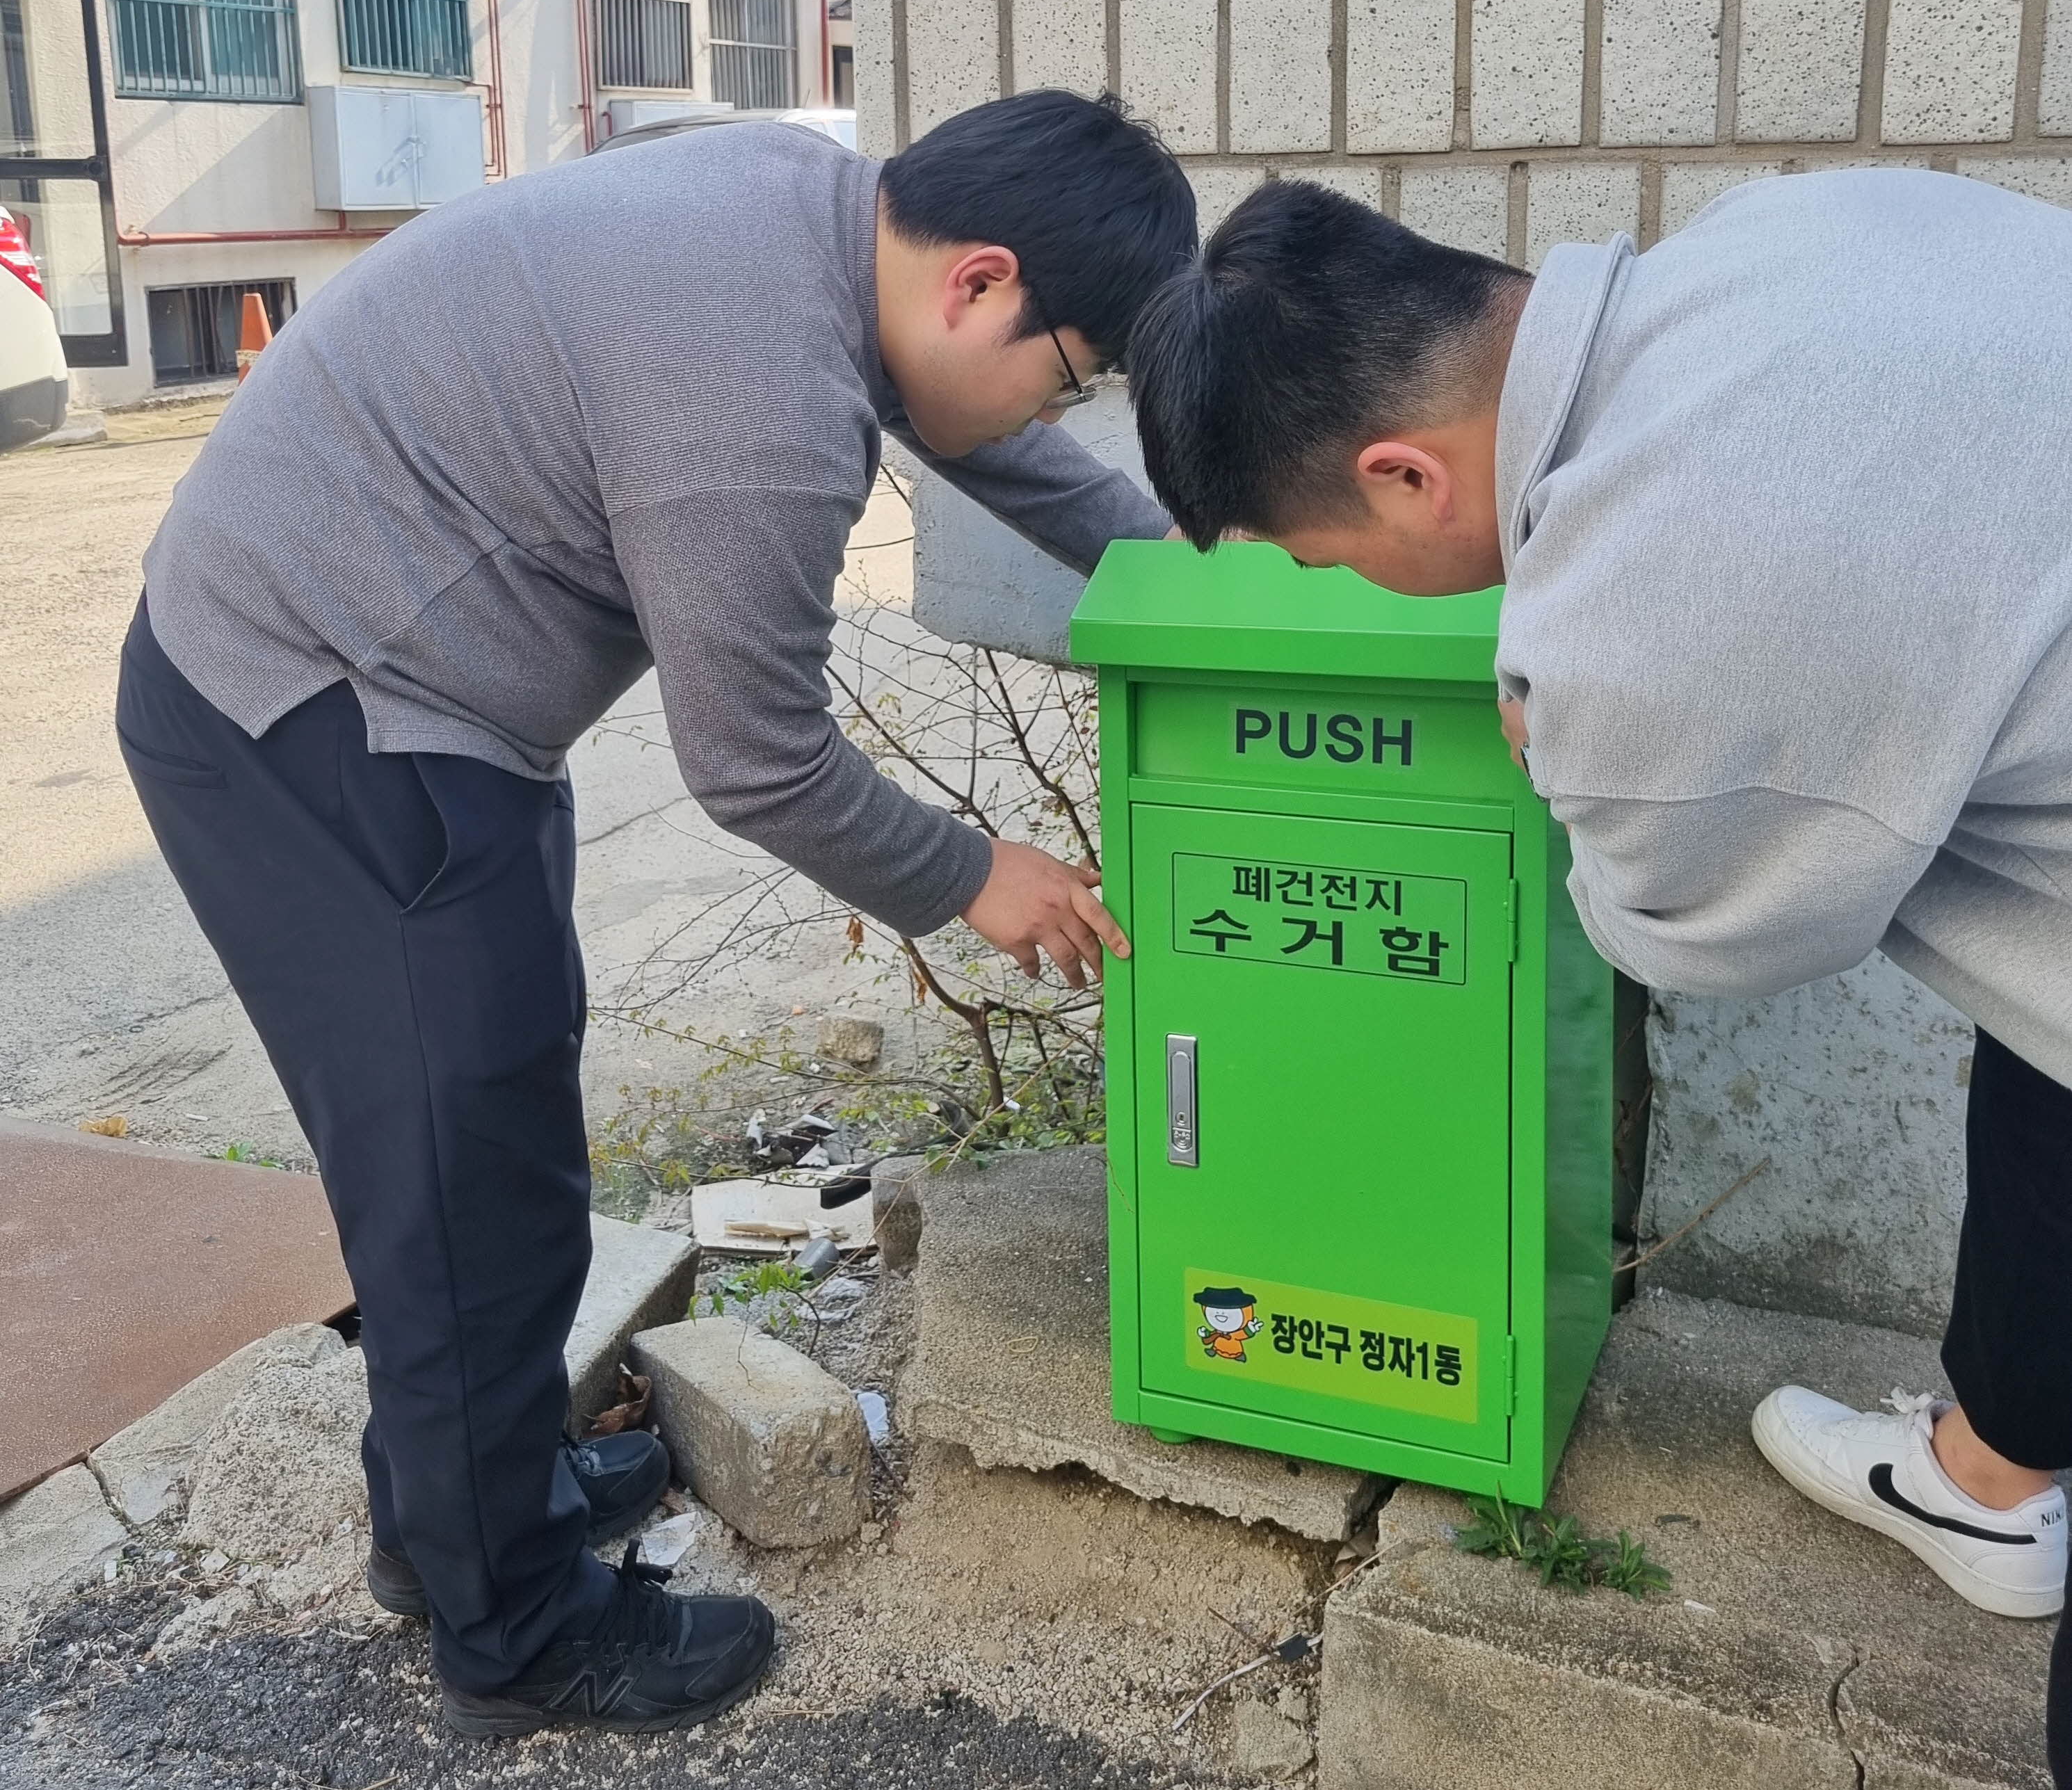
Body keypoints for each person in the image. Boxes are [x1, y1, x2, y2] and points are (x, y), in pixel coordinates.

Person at [118, 90, 1193, 1736]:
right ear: (978, 282)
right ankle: (516, 1635)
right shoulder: (760, 396)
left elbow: (1000, 448)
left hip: (387, 682)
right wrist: (980, 876)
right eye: (1062, 373)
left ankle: (455, 1519)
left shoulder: (813, 210)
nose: (1047, 413)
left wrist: (1205, 575)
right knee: (466, 1186)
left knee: (484, 1148)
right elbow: (757, 766)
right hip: (314, 707)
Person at [1125, 168, 2072, 1775]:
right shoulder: (1782, 233)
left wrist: (1561, 748)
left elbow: (1692, 937)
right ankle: (1991, 1480)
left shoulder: (1646, 607)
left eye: (1329, 559)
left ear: (1405, 476)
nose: (1348, 591)